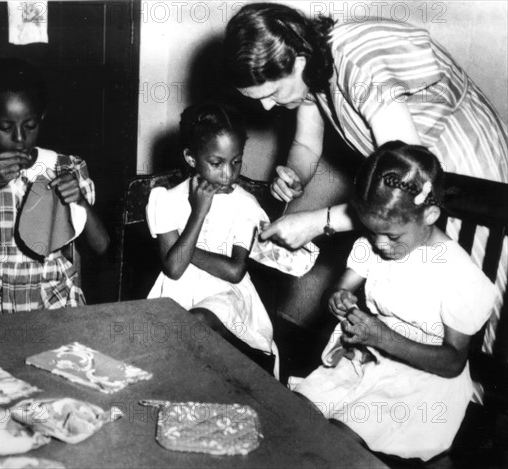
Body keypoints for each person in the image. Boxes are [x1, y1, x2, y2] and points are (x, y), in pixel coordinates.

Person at [223, 2, 507, 347]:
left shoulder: (358, 67)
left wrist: (318, 222)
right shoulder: (311, 67)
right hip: (411, 182)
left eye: (271, 94)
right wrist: (294, 172)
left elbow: (402, 187)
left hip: (465, 166)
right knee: (427, 305)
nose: (267, 107)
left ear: (297, 60)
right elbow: (307, 145)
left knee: (478, 304)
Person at [289, 141, 496, 461]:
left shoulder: (459, 275)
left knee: (339, 442)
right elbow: (339, 288)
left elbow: (453, 361)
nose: (380, 245)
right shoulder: (374, 243)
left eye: (392, 236)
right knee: (294, 417)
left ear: (429, 215)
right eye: (373, 232)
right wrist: (338, 298)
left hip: (421, 382)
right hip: (365, 358)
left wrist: (382, 336)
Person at [0, 58, 109, 318]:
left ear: (42, 117)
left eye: (30, 126)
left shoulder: (65, 167)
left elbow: (101, 245)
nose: (20, 138)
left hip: (53, 295)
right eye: (6, 127)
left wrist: (80, 201)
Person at [146, 102, 278, 370]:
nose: (228, 174)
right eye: (217, 163)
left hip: (227, 296)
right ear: (191, 158)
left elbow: (233, 271)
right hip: (175, 294)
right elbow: (173, 270)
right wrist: (199, 213)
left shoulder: (245, 203)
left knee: (197, 322)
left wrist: (180, 247)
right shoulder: (166, 200)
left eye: (236, 161)